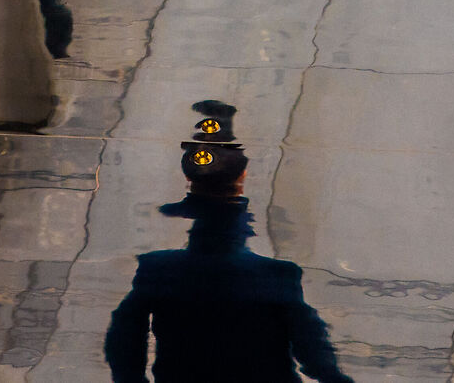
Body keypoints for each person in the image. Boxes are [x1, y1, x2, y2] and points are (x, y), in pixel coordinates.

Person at [106, 102, 354, 383]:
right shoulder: (277, 277)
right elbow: (312, 350)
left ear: (189, 180)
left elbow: (125, 339)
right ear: (243, 176)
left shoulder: (158, 271)